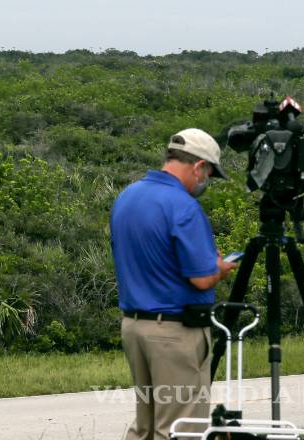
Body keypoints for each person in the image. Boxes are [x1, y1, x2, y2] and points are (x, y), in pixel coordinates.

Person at [110, 128, 239, 440]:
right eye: (208, 174)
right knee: (181, 429)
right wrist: (220, 270)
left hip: (134, 326)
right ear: (199, 166)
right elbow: (201, 278)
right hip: (174, 331)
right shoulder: (183, 206)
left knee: (145, 427)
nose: (205, 181)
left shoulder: (128, 196)